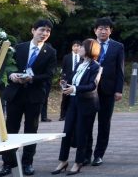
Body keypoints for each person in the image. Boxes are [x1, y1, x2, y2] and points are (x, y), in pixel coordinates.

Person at [0, 19, 57, 177]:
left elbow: (49, 75)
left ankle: (27, 163)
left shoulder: (50, 52)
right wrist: (12, 75)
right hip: (15, 95)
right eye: (41, 30)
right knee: (10, 130)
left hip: (34, 96)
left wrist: (32, 78)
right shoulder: (18, 48)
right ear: (33, 30)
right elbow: (7, 66)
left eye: (48, 31)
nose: (44, 34)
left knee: (31, 130)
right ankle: (7, 163)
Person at [52, 39, 102, 175]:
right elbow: (75, 81)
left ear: (89, 50)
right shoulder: (80, 64)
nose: (79, 49)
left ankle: (78, 162)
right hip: (73, 102)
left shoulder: (96, 66)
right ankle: (63, 161)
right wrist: (66, 83)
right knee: (66, 132)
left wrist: (74, 88)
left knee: (82, 133)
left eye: (82, 47)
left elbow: (92, 86)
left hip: (87, 104)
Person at [84, 18, 124, 167]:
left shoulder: (118, 47)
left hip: (108, 91)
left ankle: (99, 155)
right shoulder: (87, 44)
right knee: (87, 122)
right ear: (95, 30)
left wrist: (118, 90)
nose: (103, 31)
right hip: (88, 90)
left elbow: (120, 70)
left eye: (106, 28)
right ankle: (85, 154)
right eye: (100, 28)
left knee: (104, 123)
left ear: (110, 31)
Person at [59, 41, 82, 121]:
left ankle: (76, 115)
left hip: (78, 80)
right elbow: (63, 69)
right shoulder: (66, 57)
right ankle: (62, 115)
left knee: (77, 97)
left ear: (81, 47)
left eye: (78, 46)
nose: (76, 47)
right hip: (67, 80)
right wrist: (62, 79)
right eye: (74, 46)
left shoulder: (82, 57)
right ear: (72, 47)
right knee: (65, 98)